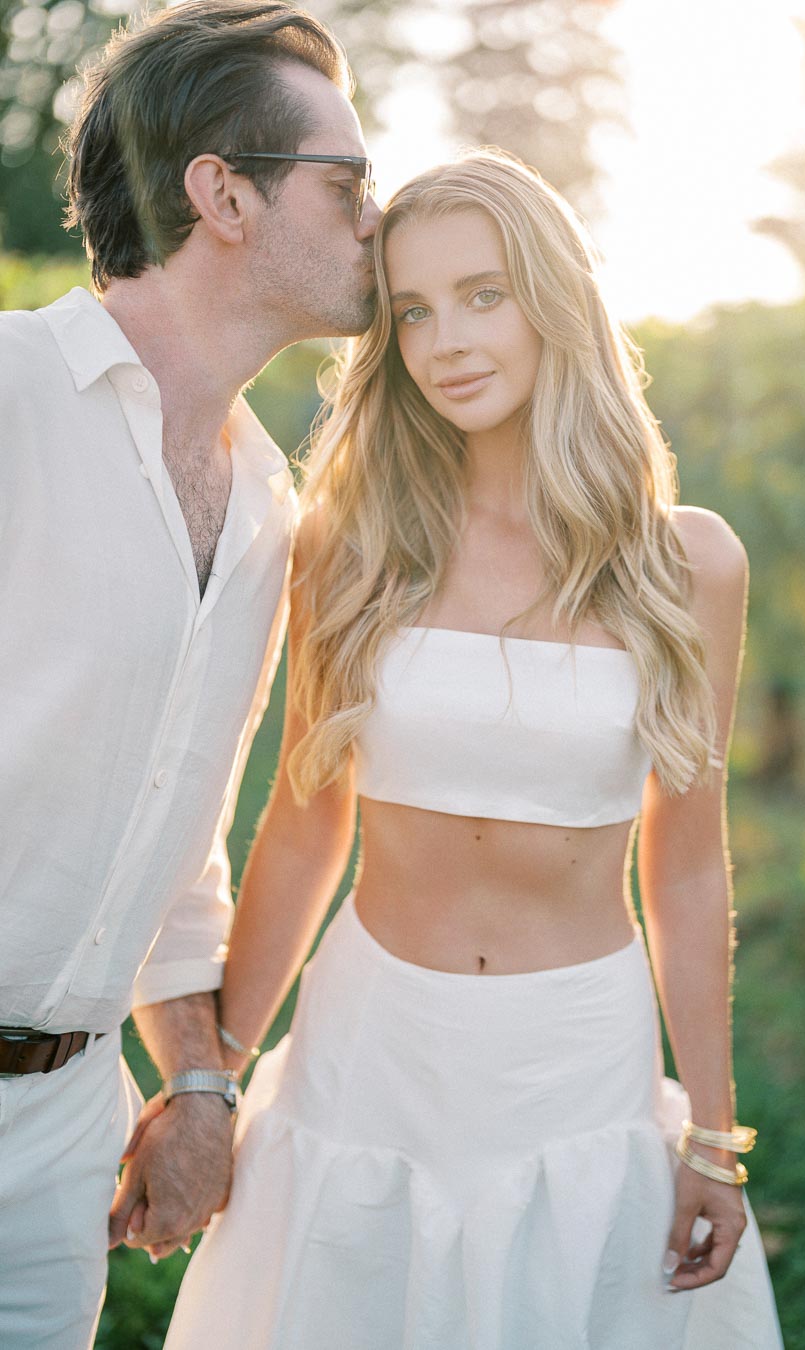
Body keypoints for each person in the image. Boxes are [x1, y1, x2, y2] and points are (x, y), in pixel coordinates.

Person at [164, 149, 783, 1349]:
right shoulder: (351, 543)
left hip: (579, 1062)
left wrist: (712, 1131)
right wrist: (214, 1076)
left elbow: (689, 868)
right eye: (411, 310)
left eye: (484, 294)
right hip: (371, 1050)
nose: (445, 338)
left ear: (557, 301)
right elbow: (304, 821)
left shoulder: (689, 564)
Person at [0, 2, 379, 1346]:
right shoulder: (10, 399)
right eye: (347, 183)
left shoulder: (274, 505)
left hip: (63, 1134)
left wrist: (203, 1079)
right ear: (223, 194)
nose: (374, 218)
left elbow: (171, 832)